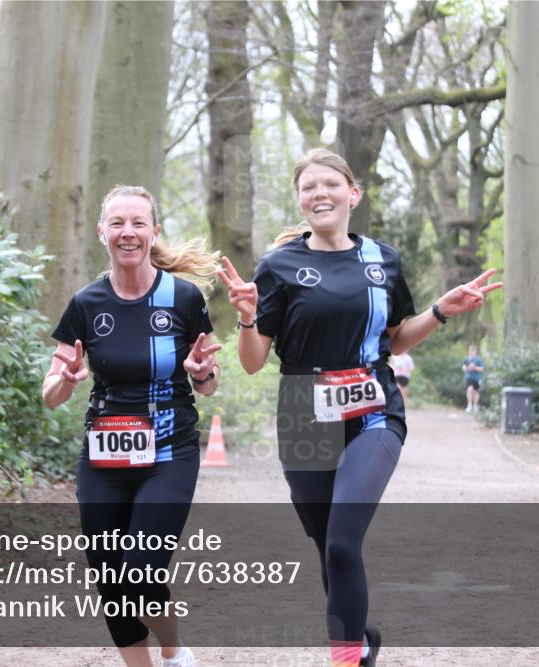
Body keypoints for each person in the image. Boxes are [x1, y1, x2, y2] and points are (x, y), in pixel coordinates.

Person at [217, 148, 501, 667]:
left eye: (329, 184)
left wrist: (440, 311)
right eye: (308, 187)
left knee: (344, 542)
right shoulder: (278, 266)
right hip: (303, 411)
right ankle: (359, 639)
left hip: (374, 410)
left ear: (353, 194)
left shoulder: (382, 260)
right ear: (300, 200)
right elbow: (255, 362)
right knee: (327, 544)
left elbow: (395, 340)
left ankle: (344, 660)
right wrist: (247, 318)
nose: (318, 193)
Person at [43, 185, 220, 667]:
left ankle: (174, 649)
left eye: (138, 223)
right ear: (102, 232)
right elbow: (51, 393)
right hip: (103, 457)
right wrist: (66, 379)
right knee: (110, 577)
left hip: (168, 451)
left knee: (140, 572)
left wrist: (203, 373)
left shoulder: (183, 299)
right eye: (117, 223)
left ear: (153, 232)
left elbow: (207, 382)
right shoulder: (86, 303)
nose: (128, 232)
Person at [462, 344, 484, 413]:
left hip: (477, 378)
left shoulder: (479, 359)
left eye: (473, 351)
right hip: (469, 377)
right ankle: (469, 405)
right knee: (469, 389)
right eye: (470, 351)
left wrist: (474, 367)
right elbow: (464, 367)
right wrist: (466, 368)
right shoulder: (467, 359)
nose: (471, 352)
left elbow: (481, 369)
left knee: (476, 392)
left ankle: (475, 406)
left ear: (475, 352)